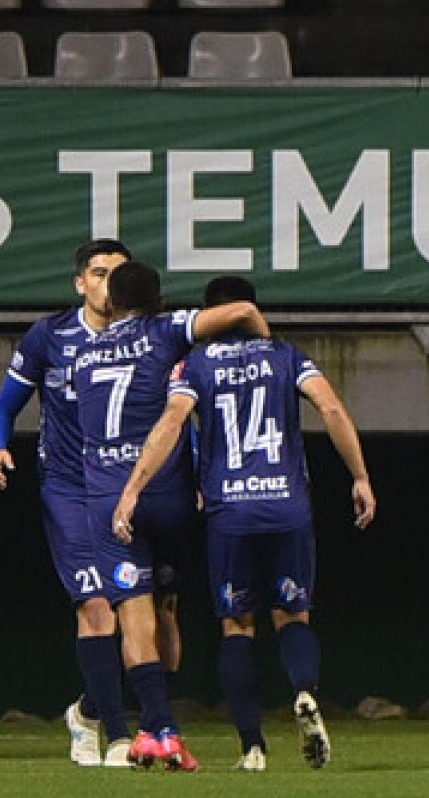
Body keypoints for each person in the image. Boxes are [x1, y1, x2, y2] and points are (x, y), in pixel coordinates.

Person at [112, 275, 376, 771]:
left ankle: (252, 746)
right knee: (292, 615)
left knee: (237, 626)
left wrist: (132, 488)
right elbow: (332, 407)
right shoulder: (287, 356)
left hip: (230, 512)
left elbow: (171, 424)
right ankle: (302, 691)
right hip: (286, 506)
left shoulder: (194, 364)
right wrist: (359, 476)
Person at [73, 260, 269, 771]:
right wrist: (264, 364)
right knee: (168, 609)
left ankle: (159, 729)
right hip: (167, 492)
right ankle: (158, 727)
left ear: (109, 303)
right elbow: (243, 310)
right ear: (159, 300)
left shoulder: (84, 352)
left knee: (132, 612)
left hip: (106, 497)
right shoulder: (168, 328)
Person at [0, 239, 135, 767]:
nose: (107, 283)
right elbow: (3, 407)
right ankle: (118, 736)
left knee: (147, 621)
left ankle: (88, 711)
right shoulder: (50, 336)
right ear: (80, 282)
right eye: (98, 273)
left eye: (118, 274)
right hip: (68, 490)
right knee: (96, 608)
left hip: (128, 491)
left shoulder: (145, 339)